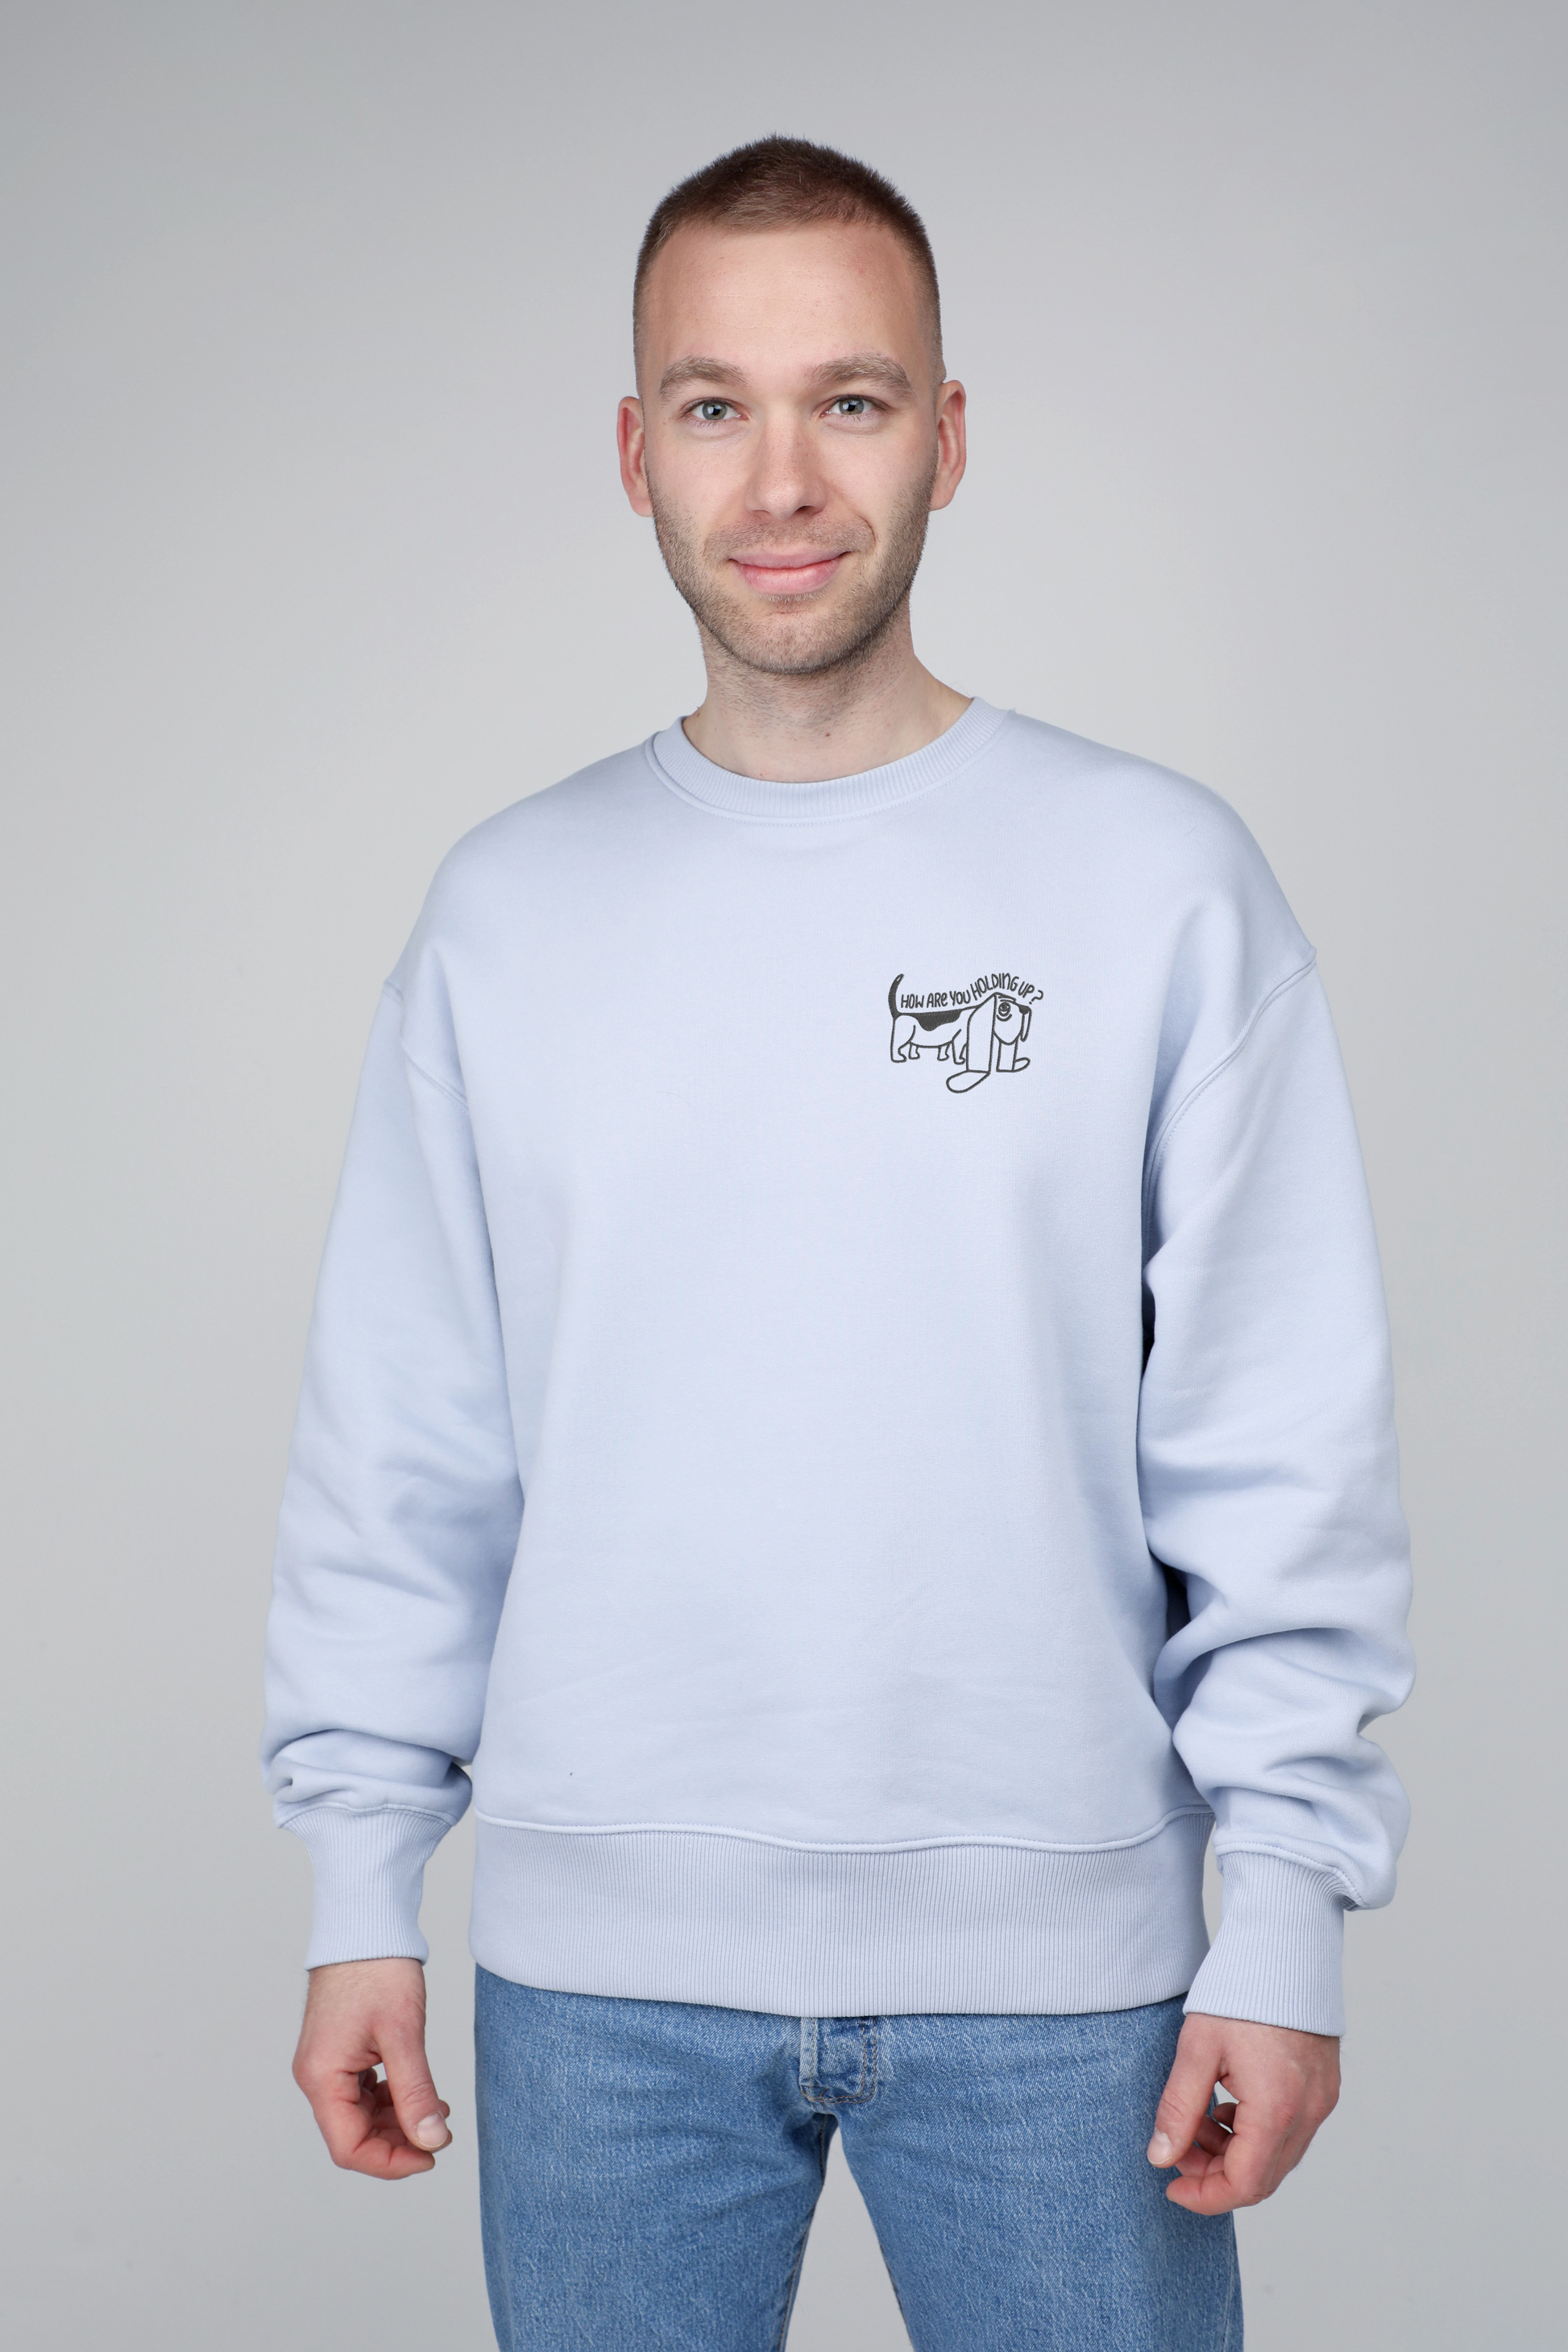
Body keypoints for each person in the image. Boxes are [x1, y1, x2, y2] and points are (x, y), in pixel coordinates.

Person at [262, 136, 1413, 2350]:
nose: (782, 478)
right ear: (636, 452)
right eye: (716, 405)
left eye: (851, 400)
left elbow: (1281, 1443)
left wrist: (1283, 1910)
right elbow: (404, 1446)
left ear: (948, 435)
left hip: (1069, 1984)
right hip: (597, 1990)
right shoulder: (506, 915)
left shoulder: (1158, 883)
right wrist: (357, 1882)